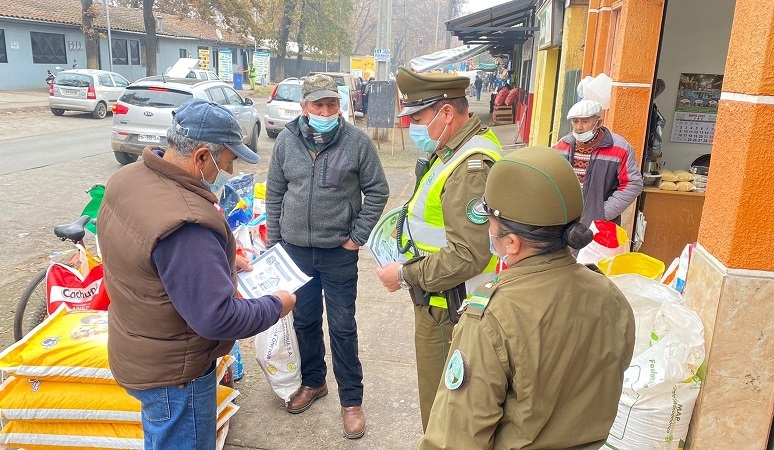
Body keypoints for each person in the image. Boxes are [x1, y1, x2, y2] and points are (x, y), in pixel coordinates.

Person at [97, 98, 297, 450]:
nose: (229, 173)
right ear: (202, 156)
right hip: (176, 373)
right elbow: (216, 318)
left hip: (138, 346)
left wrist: (211, 262)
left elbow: (141, 254)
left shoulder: (129, 179)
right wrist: (275, 305)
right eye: (228, 161)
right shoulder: (187, 221)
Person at [417, 146, 636, 449]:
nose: (487, 229)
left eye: (490, 221)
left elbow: (456, 438)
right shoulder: (609, 294)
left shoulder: (491, 317)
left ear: (511, 242)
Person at [375, 67, 502, 431]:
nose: (412, 127)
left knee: (442, 411)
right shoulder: (456, 148)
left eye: (418, 117)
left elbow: (469, 254)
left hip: (449, 310)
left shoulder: (469, 167)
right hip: (442, 301)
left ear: (447, 113)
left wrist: (402, 273)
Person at [266, 73, 389, 439]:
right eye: (318, 105)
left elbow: (377, 191)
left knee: (342, 326)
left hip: (338, 252)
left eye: (331, 104)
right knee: (304, 322)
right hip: (295, 252)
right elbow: (275, 193)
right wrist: (275, 242)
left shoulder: (357, 143)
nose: (325, 110)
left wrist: (356, 237)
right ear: (304, 107)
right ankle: (314, 382)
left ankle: (351, 401)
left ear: (340, 106)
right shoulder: (287, 142)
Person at [553, 99, 644, 227]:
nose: (579, 127)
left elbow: (633, 184)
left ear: (598, 122)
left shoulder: (620, 148)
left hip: (600, 226)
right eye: (575, 121)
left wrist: (603, 213)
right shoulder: (562, 146)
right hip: (565, 222)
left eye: (585, 121)